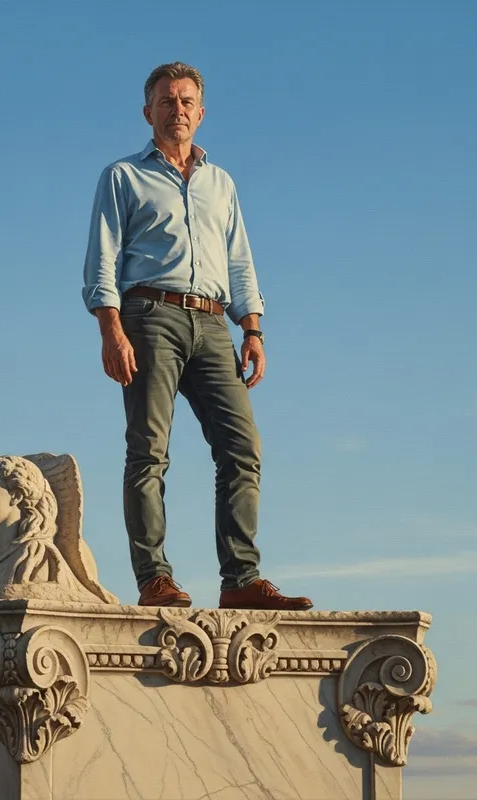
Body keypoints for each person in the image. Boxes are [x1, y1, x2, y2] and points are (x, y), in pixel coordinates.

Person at [83, 62, 312, 611]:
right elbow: (103, 257)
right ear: (148, 112)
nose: (177, 109)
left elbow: (240, 261)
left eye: (186, 101)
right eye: (166, 101)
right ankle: (154, 578)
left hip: (213, 323)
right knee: (149, 452)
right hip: (149, 315)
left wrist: (252, 328)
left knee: (242, 448)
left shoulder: (221, 182)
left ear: (201, 113)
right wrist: (110, 328)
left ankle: (241, 580)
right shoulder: (122, 176)